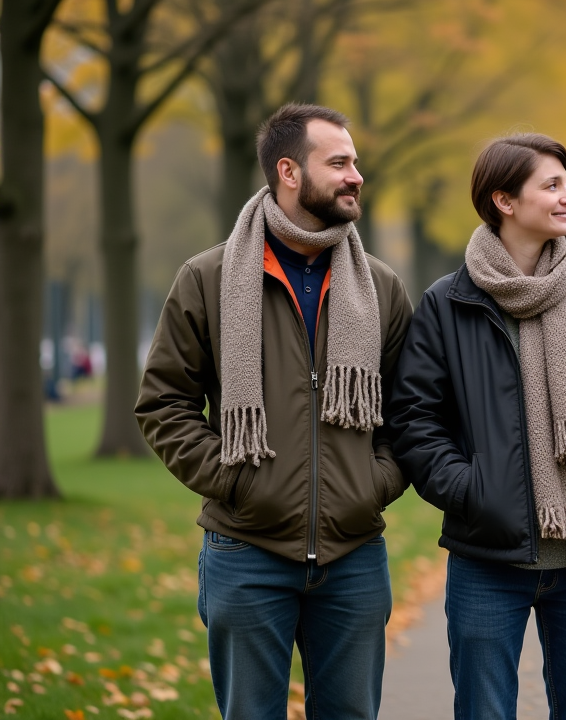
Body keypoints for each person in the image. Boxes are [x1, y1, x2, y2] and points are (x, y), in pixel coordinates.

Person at [135, 103, 413, 719]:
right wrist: (235, 480)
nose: (356, 176)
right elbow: (163, 403)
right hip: (244, 553)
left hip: (354, 556)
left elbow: (411, 412)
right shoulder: (207, 278)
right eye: (338, 162)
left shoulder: (382, 288)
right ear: (288, 171)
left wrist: (372, 485)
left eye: (356, 162)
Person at [389, 133, 566, 720]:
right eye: (552, 186)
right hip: (486, 558)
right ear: (505, 200)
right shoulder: (447, 303)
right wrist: (472, 491)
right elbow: (415, 419)